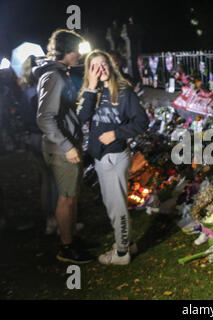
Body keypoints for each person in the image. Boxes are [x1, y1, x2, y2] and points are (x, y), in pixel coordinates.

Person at [77, 50, 149, 265]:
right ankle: (129, 243)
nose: (101, 70)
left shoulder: (124, 92)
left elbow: (141, 122)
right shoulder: (94, 92)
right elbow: (82, 117)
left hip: (115, 156)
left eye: (104, 64)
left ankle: (121, 253)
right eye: (95, 66)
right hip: (100, 157)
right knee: (112, 205)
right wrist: (90, 86)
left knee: (116, 207)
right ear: (90, 70)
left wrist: (117, 133)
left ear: (111, 65)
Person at [34, 29, 93, 264]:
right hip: (60, 149)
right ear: (68, 51)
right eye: (77, 50)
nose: (79, 55)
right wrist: (68, 145)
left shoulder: (59, 73)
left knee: (71, 195)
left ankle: (72, 239)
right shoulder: (54, 76)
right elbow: (44, 117)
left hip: (63, 144)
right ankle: (67, 247)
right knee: (66, 198)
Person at [19, 55, 59, 234]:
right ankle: (57, 219)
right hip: (42, 136)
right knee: (53, 178)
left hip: (31, 137)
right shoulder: (37, 91)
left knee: (45, 179)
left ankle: (50, 220)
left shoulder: (24, 89)